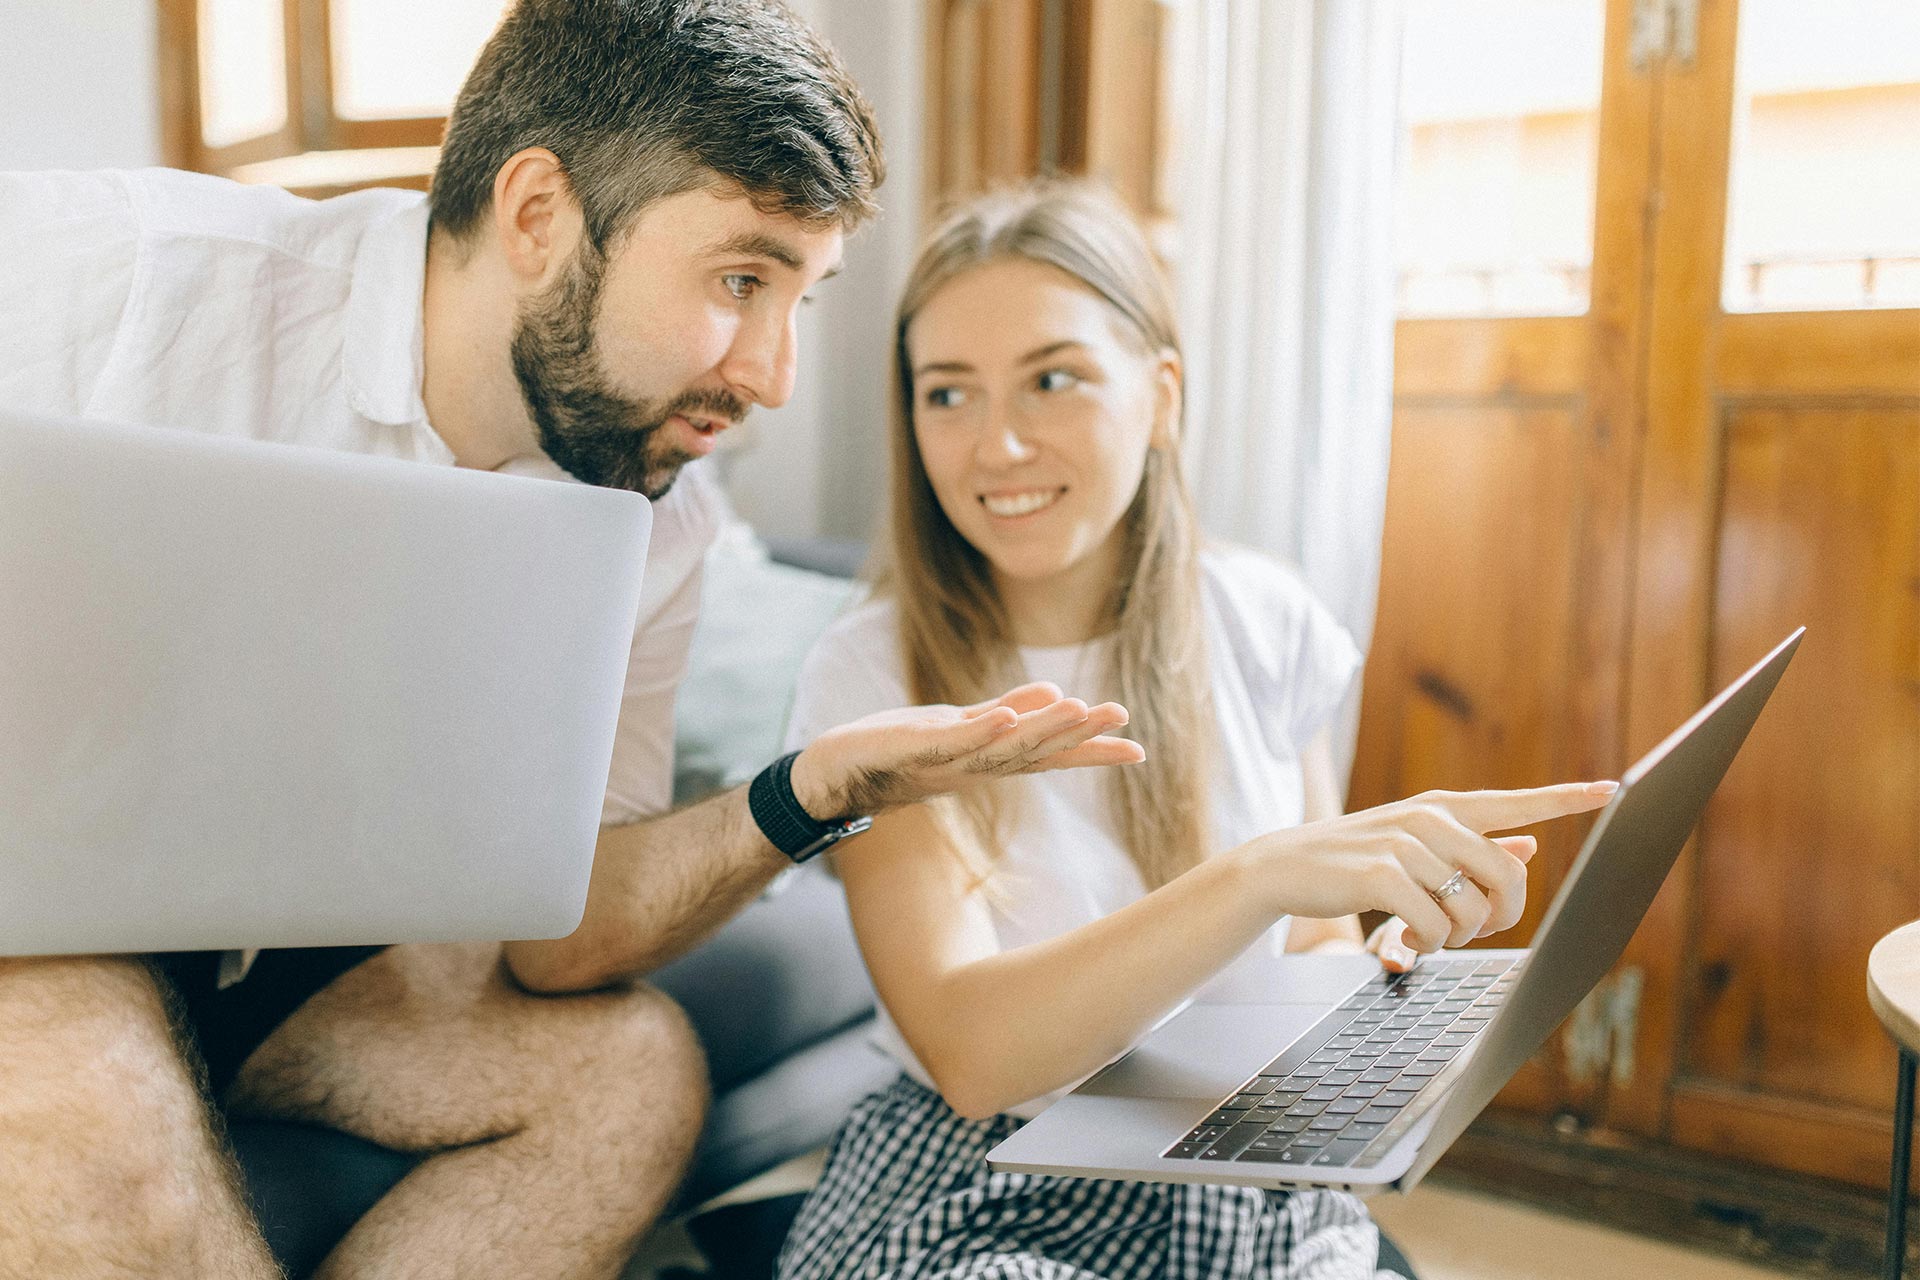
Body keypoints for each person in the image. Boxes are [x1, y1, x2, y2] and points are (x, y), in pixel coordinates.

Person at [0, 5, 1142, 1277]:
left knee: (632, 1075)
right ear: (541, 215)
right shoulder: (115, 275)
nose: (774, 375)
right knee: (95, 1095)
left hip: (266, 957)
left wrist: (810, 787)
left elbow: (561, 929)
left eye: (801, 298)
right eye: (740, 280)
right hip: (29, 926)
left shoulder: (659, 519)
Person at [774, 181, 1618, 1280]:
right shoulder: (869, 676)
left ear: (1161, 395)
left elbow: (1308, 943)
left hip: (1237, 1154)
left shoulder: (1264, 620)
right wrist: (1255, 879)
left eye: (1055, 377)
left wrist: (1393, 971)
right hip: (988, 1176)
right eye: (948, 394)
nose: (1000, 444)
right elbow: (973, 1054)